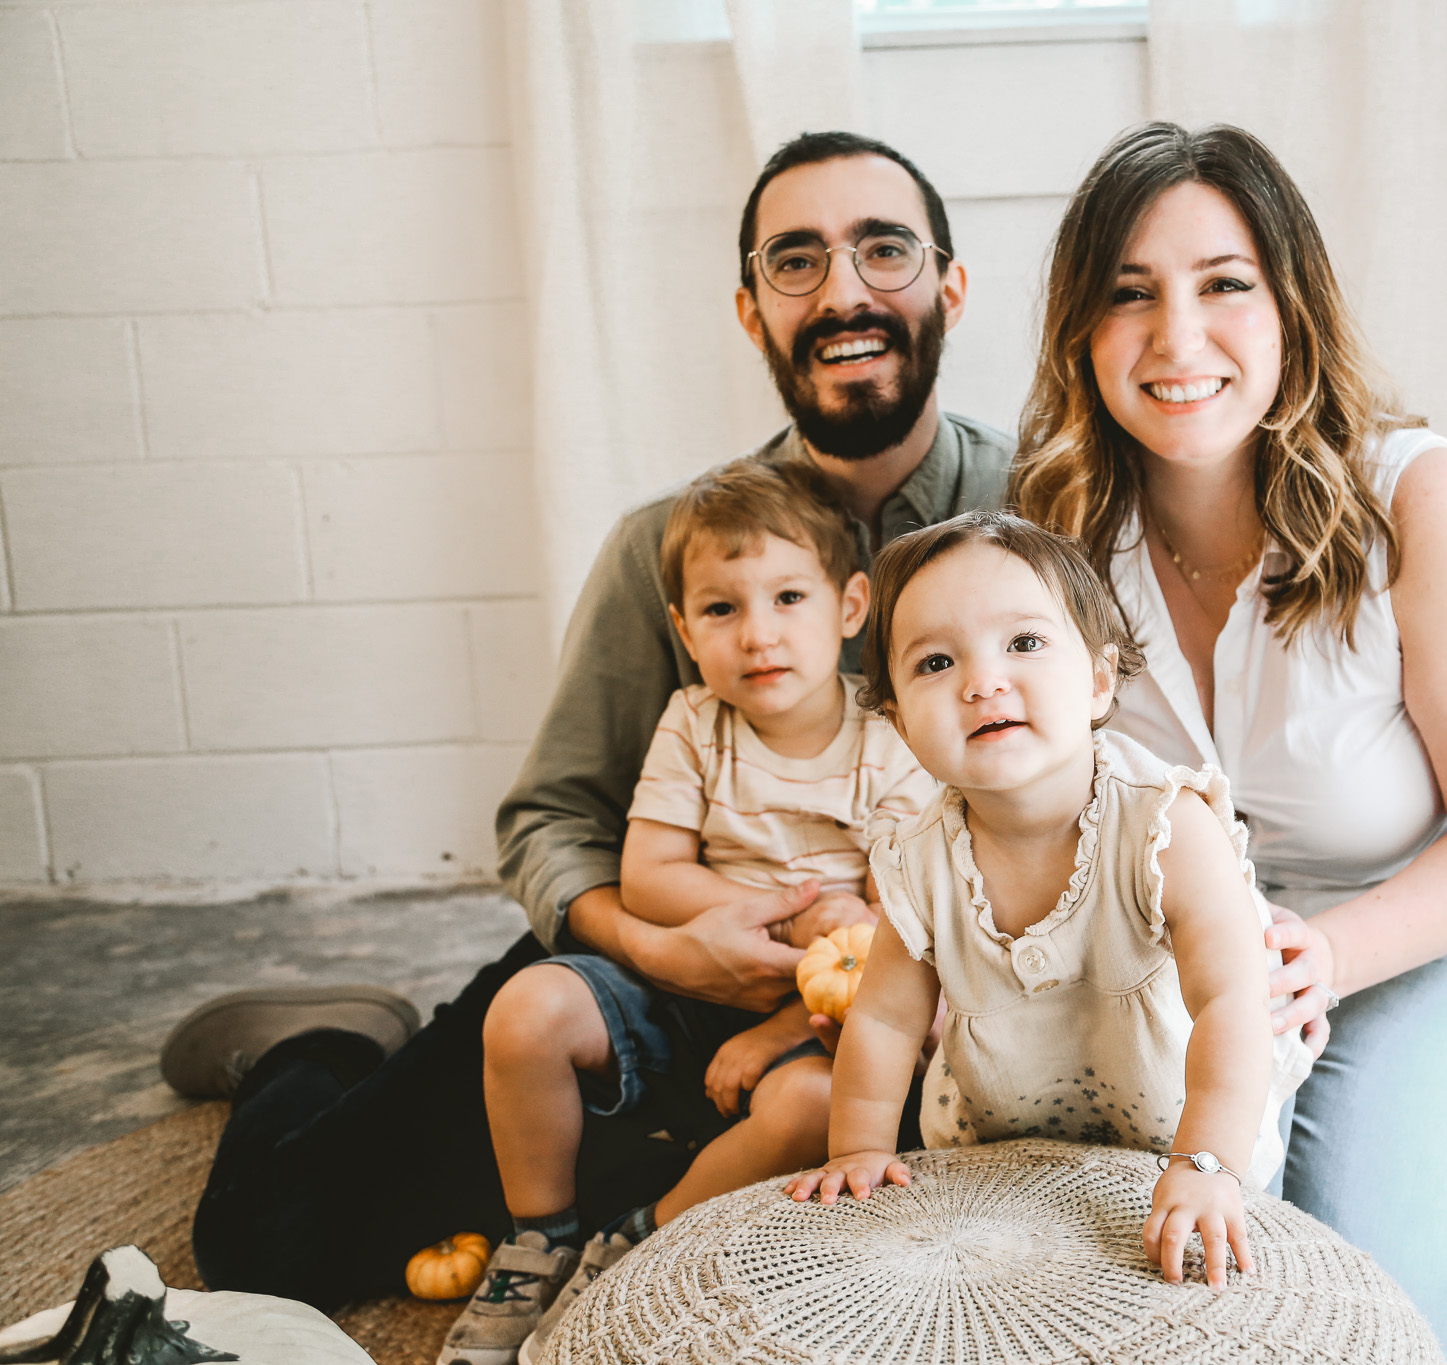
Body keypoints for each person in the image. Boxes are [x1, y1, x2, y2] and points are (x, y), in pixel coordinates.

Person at [171, 129, 1012, 1309]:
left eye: (884, 250)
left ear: (949, 287)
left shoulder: (1040, 509)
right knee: (275, 1252)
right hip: (659, 977)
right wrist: (661, 947)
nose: (843, 292)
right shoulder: (667, 548)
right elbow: (553, 820)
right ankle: (317, 1054)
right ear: (748, 311)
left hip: (903, 1009)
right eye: (795, 261)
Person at [1007, 124, 1447, 1361]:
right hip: (1181, 948)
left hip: (1435, 919)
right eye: (1128, 295)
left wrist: (1322, 955)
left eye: (1222, 284)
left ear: (1291, 309)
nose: (1176, 339)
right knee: (1112, 1279)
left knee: (1379, 1299)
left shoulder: (1418, 505)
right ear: (1080, 334)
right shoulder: (1054, 529)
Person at [437, 461, 939, 1365]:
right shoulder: (693, 722)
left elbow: (894, 941)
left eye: (789, 597)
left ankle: (634, 1243)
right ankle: (536, 1237)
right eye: (721, 610)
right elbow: (651, 876)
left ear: (852, 607)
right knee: (524, 1009)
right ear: (683, 629)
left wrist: (779, 1017)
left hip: (820, 1015)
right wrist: (780, 914)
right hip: (676, 977)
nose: (759, 634)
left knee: (815, 1107)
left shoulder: (887, 741)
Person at [784, 512, 1313, 1289]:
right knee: (1001, 1294)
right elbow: (887, 1019)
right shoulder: (921, 858)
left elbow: (1230, 999)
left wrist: (1209, 1160)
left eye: (1024, 643)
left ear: (1099, 681)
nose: (982, 681)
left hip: (1190, 1112)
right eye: (935, 661)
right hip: (1002, 1131)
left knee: (1214, 1286)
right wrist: (858, 1148)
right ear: (897, 718)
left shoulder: (1165, 826)